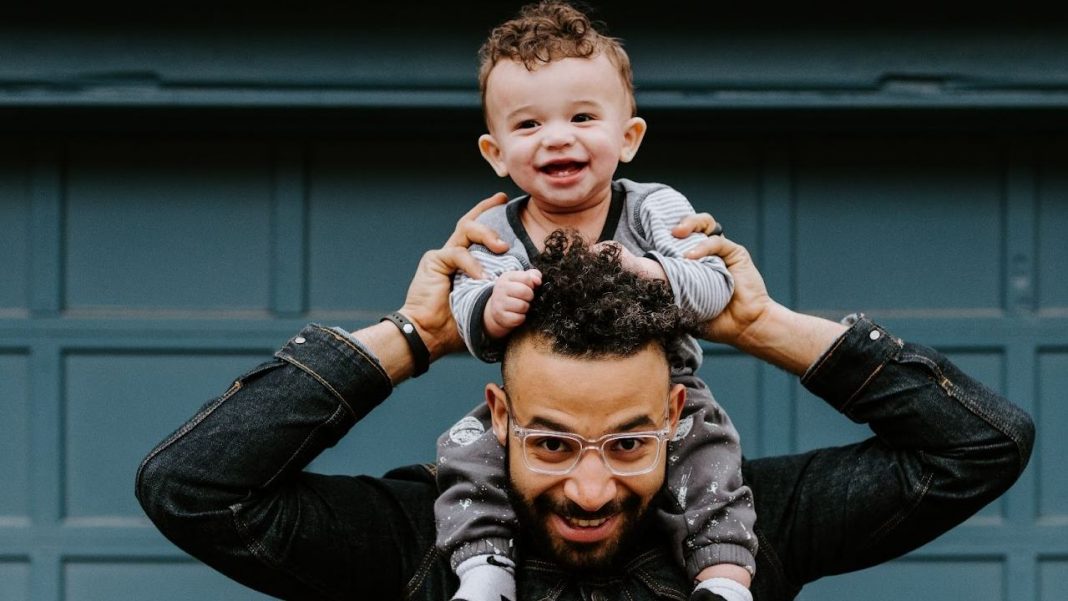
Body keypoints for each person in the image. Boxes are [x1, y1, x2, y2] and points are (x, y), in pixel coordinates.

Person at [136, 194, 1034, 601]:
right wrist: (414, 338)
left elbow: (981, 445)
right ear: (498, 418)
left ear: (678, 417)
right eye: (554, 443)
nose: (593, 490)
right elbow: (193, 487)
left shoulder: (753, 527)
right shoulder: (419, 541)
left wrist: (760, 324)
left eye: (631, 442)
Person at [440, 4, 750, 600]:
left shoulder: (654, 208)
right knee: (467, 451)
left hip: (660, 390)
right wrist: (489, 306)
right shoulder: (497, 230)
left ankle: (724, 577)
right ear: (496, 153)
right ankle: (484, 570)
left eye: (582, 117)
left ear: (628, 137)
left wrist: (656, 272)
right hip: (539, 406)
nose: (557, 137)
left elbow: (715, 285)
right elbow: (466, 306)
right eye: (528, 126)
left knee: (710, 459)